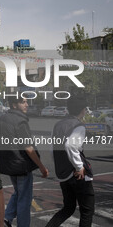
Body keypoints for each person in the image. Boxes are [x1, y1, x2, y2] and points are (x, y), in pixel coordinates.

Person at [0, 96, 49, 227]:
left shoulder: (3, 118)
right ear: (14, 105)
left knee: (19, 192)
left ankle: (6, 218)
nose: (27, 104)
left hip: (9, 165)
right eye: (23, 102)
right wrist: (41, 167)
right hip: (21, 165)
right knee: (25, 199)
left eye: (26, 102)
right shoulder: (20, 121)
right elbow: (29, 148)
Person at [46, 96, 94, 227]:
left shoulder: (58, 125)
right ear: (82, 110)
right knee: (87, 210)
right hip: (77, 174)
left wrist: (60, 165)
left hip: (63, 173)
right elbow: (71, 145)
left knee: (68, 208)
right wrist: (79, 167)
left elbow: (52, 149)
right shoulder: (79, 126)